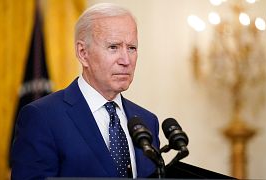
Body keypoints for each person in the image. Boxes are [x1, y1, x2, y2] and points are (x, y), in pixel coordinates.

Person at [11, 3, 159, 179]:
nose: (126, 60)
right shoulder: (42, 118)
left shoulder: (147, 121)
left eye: (132, 48)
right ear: (83, 53)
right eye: (113, 47)